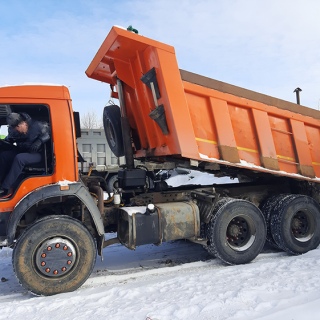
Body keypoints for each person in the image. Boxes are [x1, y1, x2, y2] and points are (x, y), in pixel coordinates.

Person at [0, 112, 50, 198]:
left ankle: (6, 188)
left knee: (19, 158)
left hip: (38, 154)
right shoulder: (14, 130)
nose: (16, 130)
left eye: (18, 127)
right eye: (14, 128)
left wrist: (40, 141)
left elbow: (50, 133)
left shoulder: (37, 125)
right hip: (23, 150)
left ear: (23, 123)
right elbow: (9, 139)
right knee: (4, 156)